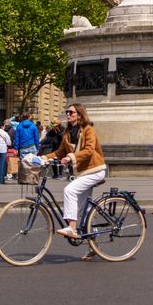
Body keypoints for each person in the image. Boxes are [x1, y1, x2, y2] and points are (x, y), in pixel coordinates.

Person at [45, 102, 107, 239]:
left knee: (69, 190)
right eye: (67, 112)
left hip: (95, 170)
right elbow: (60, 152)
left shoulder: (88, 129)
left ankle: (72, 228)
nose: (68, 114)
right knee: (85, 210)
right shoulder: (68, 132)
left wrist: (71, 157)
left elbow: (90, 150)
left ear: (79, 115)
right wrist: (43, 158)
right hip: (83, 173)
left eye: (71, 112)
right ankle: (93, 246)